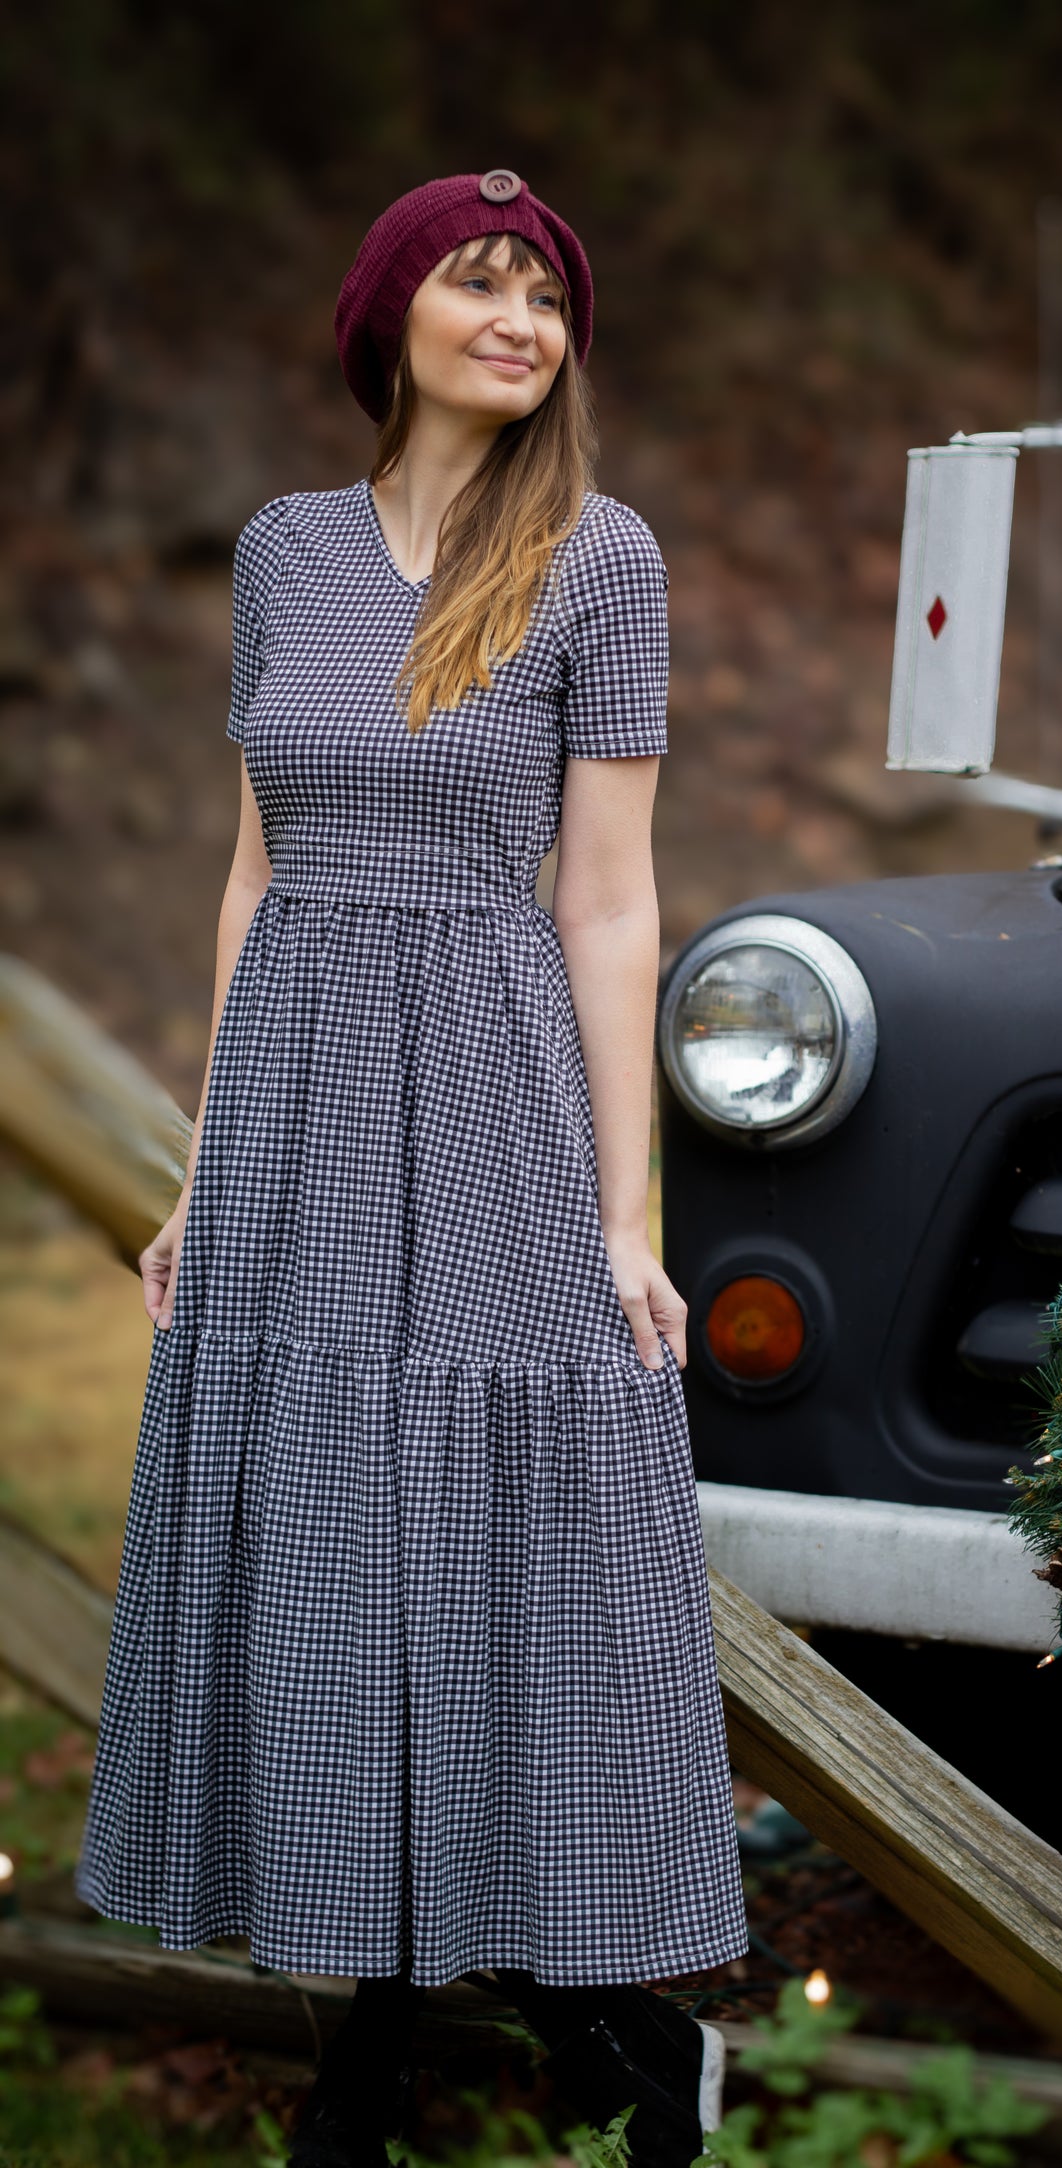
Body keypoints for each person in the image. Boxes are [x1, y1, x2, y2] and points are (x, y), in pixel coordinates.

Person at [72, 169, 750, 2168]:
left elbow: (612, 904)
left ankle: (603, 2002)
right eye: (482, 280)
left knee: (510, 1522)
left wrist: (628, 1216)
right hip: (292, 1091)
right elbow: (255, 861)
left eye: (548, 295)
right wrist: (207, 1163)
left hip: (484, 1073)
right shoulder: (283, 553)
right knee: (332, 1517)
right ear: (394, 317)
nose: (522, 318)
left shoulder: (596, 559)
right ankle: (368, 2008)